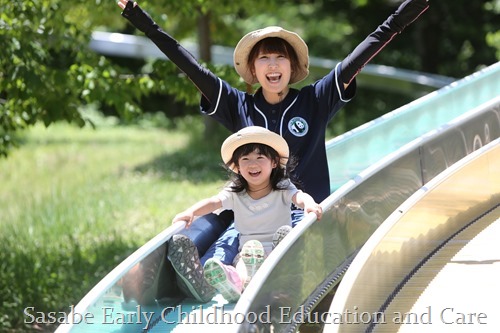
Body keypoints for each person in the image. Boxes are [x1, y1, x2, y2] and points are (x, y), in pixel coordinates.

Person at [117, 0, 430, 302]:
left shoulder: (315, 100)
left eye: (279, 57)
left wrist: (408, 11)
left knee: (279, 237)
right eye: (263, 58)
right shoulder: (237, 103)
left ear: (292, 66)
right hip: (247, 208)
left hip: (299, 210)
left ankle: (264, 271)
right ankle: (195, 275)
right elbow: (188, 64)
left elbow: (363, 53)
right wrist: (139, 18)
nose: (272, 65)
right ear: (252, 69)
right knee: (221, 226)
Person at [170, 126, 322, 302]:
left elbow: (299, 197)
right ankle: (224, 283)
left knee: (280, 247)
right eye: (245, 159)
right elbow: (214, 202)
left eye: (260, 157)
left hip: (276, 248)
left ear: (274, 162)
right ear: (238, 167)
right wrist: (191, 212)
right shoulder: (236, 192)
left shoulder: (282, 187)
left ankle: (273, 266)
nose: (252, 164)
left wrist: (310, 204)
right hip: (248, 253)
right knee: (242, 270)